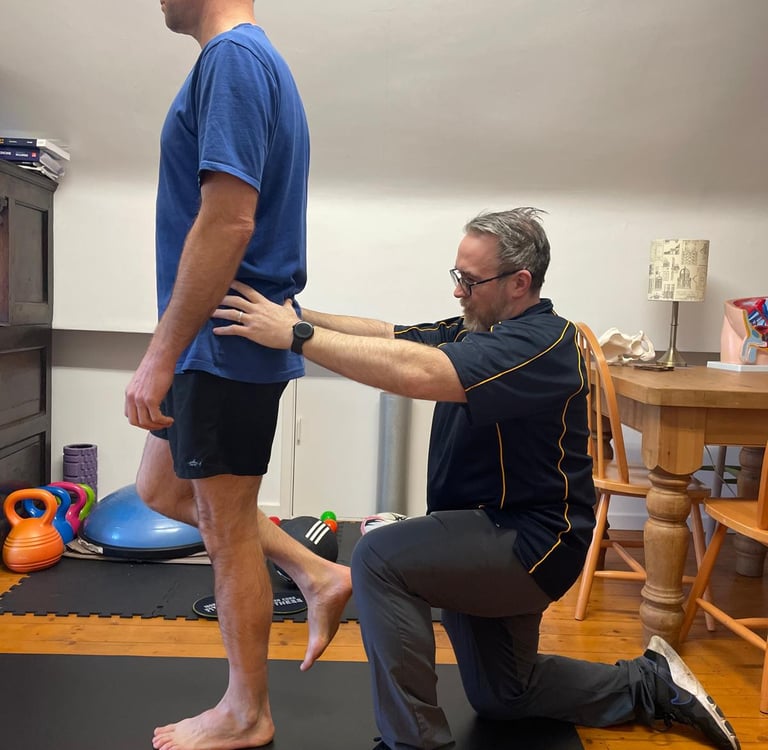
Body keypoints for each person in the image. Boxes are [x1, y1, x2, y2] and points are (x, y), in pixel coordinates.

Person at [212, 207, 740, 750]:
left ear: (519, 282)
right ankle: (651, 684)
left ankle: (414, 743)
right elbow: (389, 336)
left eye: (470, 280)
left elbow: (419, 372)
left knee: (379, 557)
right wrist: (295, 314)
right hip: (483, 531)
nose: (458, 291)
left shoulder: (542, 344)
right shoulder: (478, 328)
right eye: (456, 275)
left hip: (535, 541)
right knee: (506, 695)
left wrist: (296, 336)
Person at [123, 2, 352, 749]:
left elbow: (229, 220)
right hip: (212, 341)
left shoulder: (234, 61)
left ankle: (246, 712)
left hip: (223, 341)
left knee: (226, 528)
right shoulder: (240, 62)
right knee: (161, 490)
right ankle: (316, 573)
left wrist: (160, 355)